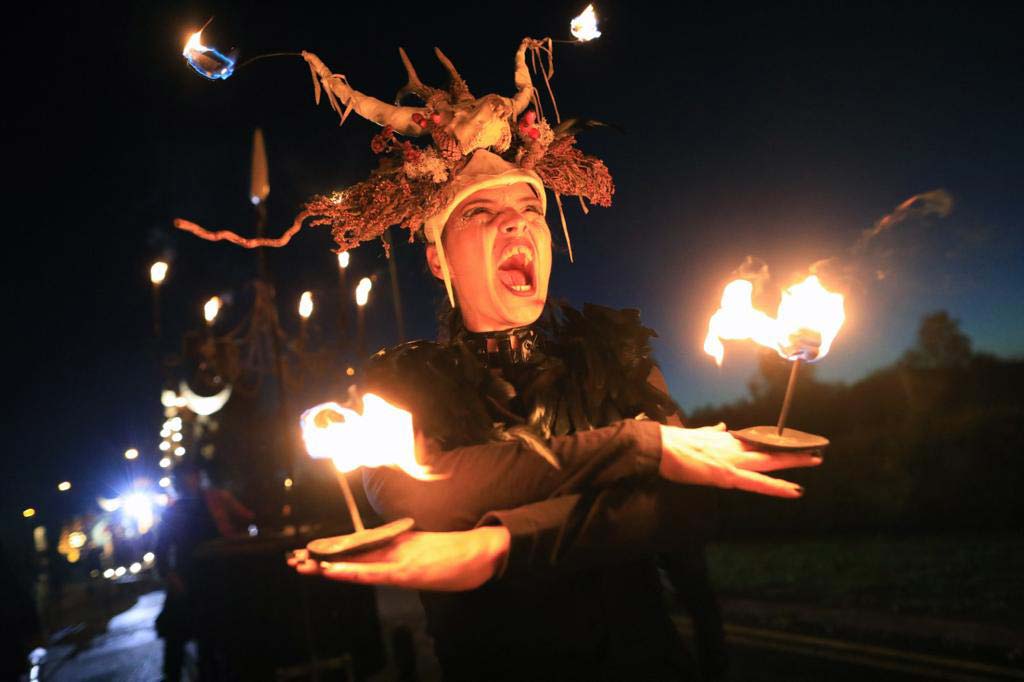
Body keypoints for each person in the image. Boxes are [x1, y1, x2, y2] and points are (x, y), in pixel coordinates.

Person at [176, 36, 820, 680]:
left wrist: (496, 543)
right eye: (482, 212)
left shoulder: (616, 356)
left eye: (529, 208)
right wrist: (639, 448)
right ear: (438, 260)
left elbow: (686, 507)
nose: (516, 225)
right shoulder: (399, 382)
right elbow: (421, 496)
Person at [156, 460, 253, 682]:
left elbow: (248, 519)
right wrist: (173, 578)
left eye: (192, 475)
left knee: (215, 636)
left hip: (221, 574)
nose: (189, 480)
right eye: (185, 476)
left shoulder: (218, 498)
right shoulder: (173, 511)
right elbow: (161, 552)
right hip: (189, 578)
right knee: (176, 635)